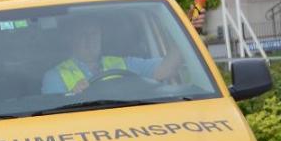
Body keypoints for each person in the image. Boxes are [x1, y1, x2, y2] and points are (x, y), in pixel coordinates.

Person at [42, 20, 182, 95]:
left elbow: (166, 69)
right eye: (83, 35)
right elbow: (52, 118)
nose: (90, 39)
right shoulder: (55, 76)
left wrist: (184, 35)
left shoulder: (124, 63)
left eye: (94, 34)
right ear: (71, 40)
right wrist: (72, 95)